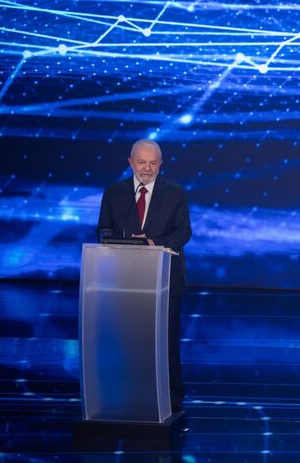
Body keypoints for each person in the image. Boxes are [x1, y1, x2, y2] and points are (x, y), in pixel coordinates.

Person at [97, 138, 192, 413]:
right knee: (127, 339)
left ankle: (171, 397)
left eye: (152, 163)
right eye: (141, 162)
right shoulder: (114, 192)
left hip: (165, 280)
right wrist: (124, 245)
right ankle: (125, 391)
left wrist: (152, 243)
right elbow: (103, 229)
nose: (147, 168)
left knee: (166, 341)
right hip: (124, 279)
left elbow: (184, 231)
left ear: (160, 164)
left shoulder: (175, 193)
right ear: (130, 163)